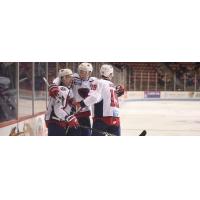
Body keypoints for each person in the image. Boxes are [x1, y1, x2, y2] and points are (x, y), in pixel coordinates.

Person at [49, 63, 96, 136]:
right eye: (80, 70)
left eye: (83, 71)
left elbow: (102, 89)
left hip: (85, 113)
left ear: (89, 72)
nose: (80, 73)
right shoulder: (74, 77)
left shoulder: (93, 81)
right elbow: (60, 77)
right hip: (73, 113)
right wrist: (53, 85)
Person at [76, 64, 125, 136]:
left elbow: (94, 97)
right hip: (116, 118)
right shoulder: (112, 85)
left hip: (102, 119)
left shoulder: (98, 82)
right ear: (110, 74)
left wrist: (81, 104)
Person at [45, 68, 80, 136]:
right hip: (56, 122)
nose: (71, 79)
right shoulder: (62, 89)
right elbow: (57, 109)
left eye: (71, 77)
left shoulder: (67, 88)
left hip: (60, 122)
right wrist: (68, 117)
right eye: (68, 77)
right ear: (62, 79)